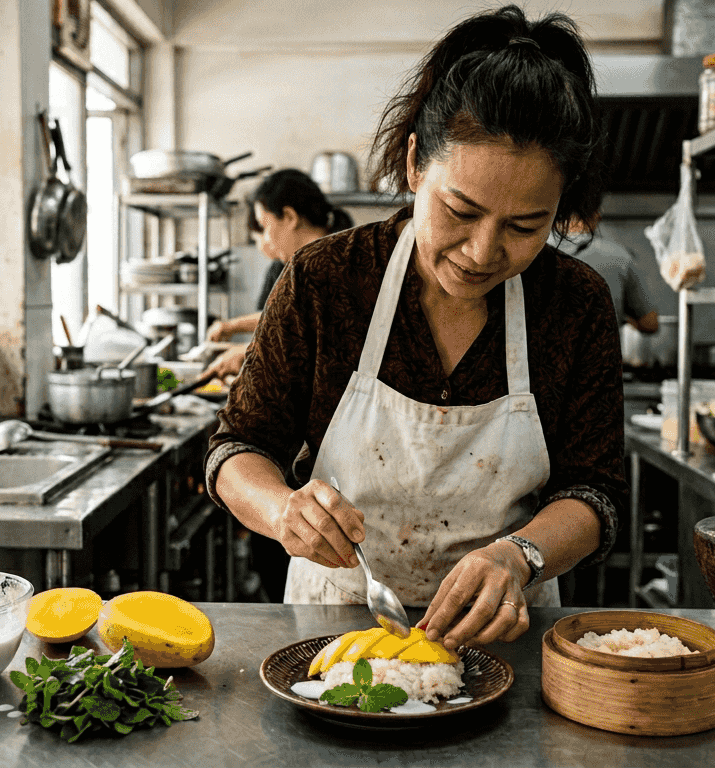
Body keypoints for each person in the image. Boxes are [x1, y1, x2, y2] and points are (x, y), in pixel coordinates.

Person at [205, 5, 624, 652]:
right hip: (334, 632)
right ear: (413, 166)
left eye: (524, 227)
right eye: (460, 210)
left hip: (506, 640)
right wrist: (282, 509)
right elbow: (237, 450)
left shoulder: (574, 304)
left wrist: (520, 556)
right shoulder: (327, 280)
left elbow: (594, 492)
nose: (483, 251)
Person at [203, 170, 353, 382]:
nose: (265, 240)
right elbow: (293, 325)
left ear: (290, 217)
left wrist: (251, 351)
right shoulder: (308, 265)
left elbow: (327, 344)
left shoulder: (338, 262)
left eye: (265, 226)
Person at [555, 209, 659, 333]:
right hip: (600, 349)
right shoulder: (619, 257)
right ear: (596, 216)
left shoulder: (535, 255)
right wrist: (621, 318)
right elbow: (650, 323)